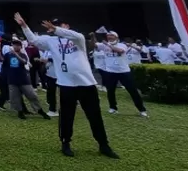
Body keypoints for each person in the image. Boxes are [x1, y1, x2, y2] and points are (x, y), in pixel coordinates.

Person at [15, 13, 119, 159]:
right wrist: (24, 26)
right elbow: (33, 40)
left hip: (86, 84)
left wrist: (56, 29)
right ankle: (65, 143)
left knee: (94, 115)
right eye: (53, 25)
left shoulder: (78, 39)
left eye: (60, 24)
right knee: (66, 116)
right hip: (66, 84)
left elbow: (74, 35)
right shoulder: (51, 41)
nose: (55, 27)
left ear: (67, 26)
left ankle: (103, 145)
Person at [94, 31, 148, 117]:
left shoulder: (122, 45)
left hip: (124, 71)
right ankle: (113, 108)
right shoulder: (103, 45)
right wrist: (93, 36)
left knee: (132, 91)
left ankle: (142, 109)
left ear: (116, 37)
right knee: (110, 91)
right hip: (110, 71)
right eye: (108, 36)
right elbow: (94, 45)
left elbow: (120, 51)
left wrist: (107, 45)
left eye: (111, 35)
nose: (109, 37)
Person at [0, 38, 50, 120]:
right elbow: (2, 62)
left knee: (32, 95)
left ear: (20, 47)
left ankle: (39, 110)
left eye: (17, 45)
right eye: (14, 45)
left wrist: (15, 54)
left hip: (23, 79)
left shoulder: (23, 55)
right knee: (15, 97)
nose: (15, 46)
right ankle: (20, 112)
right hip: (12, 80)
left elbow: (24, 62)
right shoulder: (8, 55)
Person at [41, 48, 59, 117]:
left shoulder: (56, 49)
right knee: (51, 92)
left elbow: (57, 58)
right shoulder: (46, 51)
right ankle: (52, 109)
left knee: (62, 93)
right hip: (49, 74)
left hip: (58, 75)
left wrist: (47, 60)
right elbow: (43, 59)